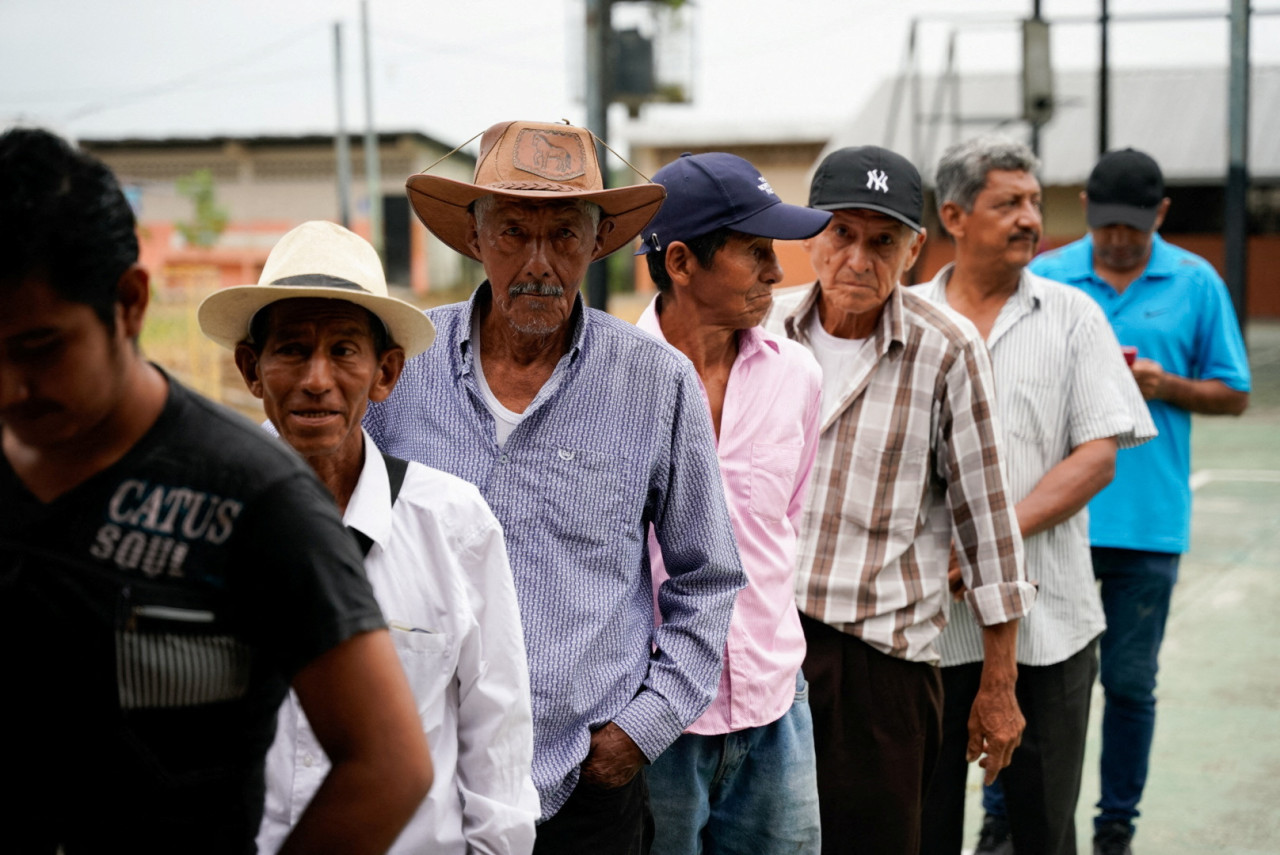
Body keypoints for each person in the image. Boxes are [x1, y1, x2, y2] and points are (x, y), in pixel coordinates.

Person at [0, 128, 432, 855]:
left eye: (41, 349)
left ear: (129, 304)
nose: (11, 385)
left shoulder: (256, 498)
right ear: (249, 364)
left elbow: (390, 763)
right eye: (292, 347)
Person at [364, 119, 747, 853]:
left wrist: (640, 728)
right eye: (512, 232)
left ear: (596, 243)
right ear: (475, 239)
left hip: (584, 783)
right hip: (424, 775)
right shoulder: (400, 369)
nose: (538, 263)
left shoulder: (656, 382)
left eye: (565, 236)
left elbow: (710, 575)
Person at [197, 220, 540, 854]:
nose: (317, 379)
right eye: (292, 350)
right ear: (252, 368)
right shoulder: (205, 520)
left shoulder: (453, 523)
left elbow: (498, 735)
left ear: (385, 373)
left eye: (344, 351)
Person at [763, 144, 1036, 855]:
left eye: (882, 240)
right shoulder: (761, 332)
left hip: (879, 668)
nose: (858, 257)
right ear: (810, 236)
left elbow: (988, 523)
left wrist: (999, 683)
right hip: (762, 646)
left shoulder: (946, 348)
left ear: (914, 250)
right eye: (841, 234)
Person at [913, 137, 1155, 855]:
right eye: (1008, 202)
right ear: (954, 215)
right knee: (920, 827)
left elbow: (1099, 454)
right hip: (925, 626)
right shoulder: (908, 318)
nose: (1030, 218)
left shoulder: (1074, 316)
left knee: (1045, 828)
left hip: (1050, 629)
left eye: (1034, 202)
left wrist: (991, 538)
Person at [1028, 148, 1250, 855]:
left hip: (1148, 524)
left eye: (1133, 225)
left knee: (1128, 685)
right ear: (1087, 209)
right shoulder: (1047, 275)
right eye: (1105, 223)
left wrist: (1166, 385)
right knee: (1032, 677)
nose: (1118, 238)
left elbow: (1234, 392)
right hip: (1056, 515)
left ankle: (1115, 825)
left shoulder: (1195, 281)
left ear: (1159, 214)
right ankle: (1009, 810)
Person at [633, 152, 830, 853]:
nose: (778, 273)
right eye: (755, 252)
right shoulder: (614, 387)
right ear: (681, 262)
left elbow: (786, 522)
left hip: (776, 709)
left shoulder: (797, 375)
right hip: (655, 727)